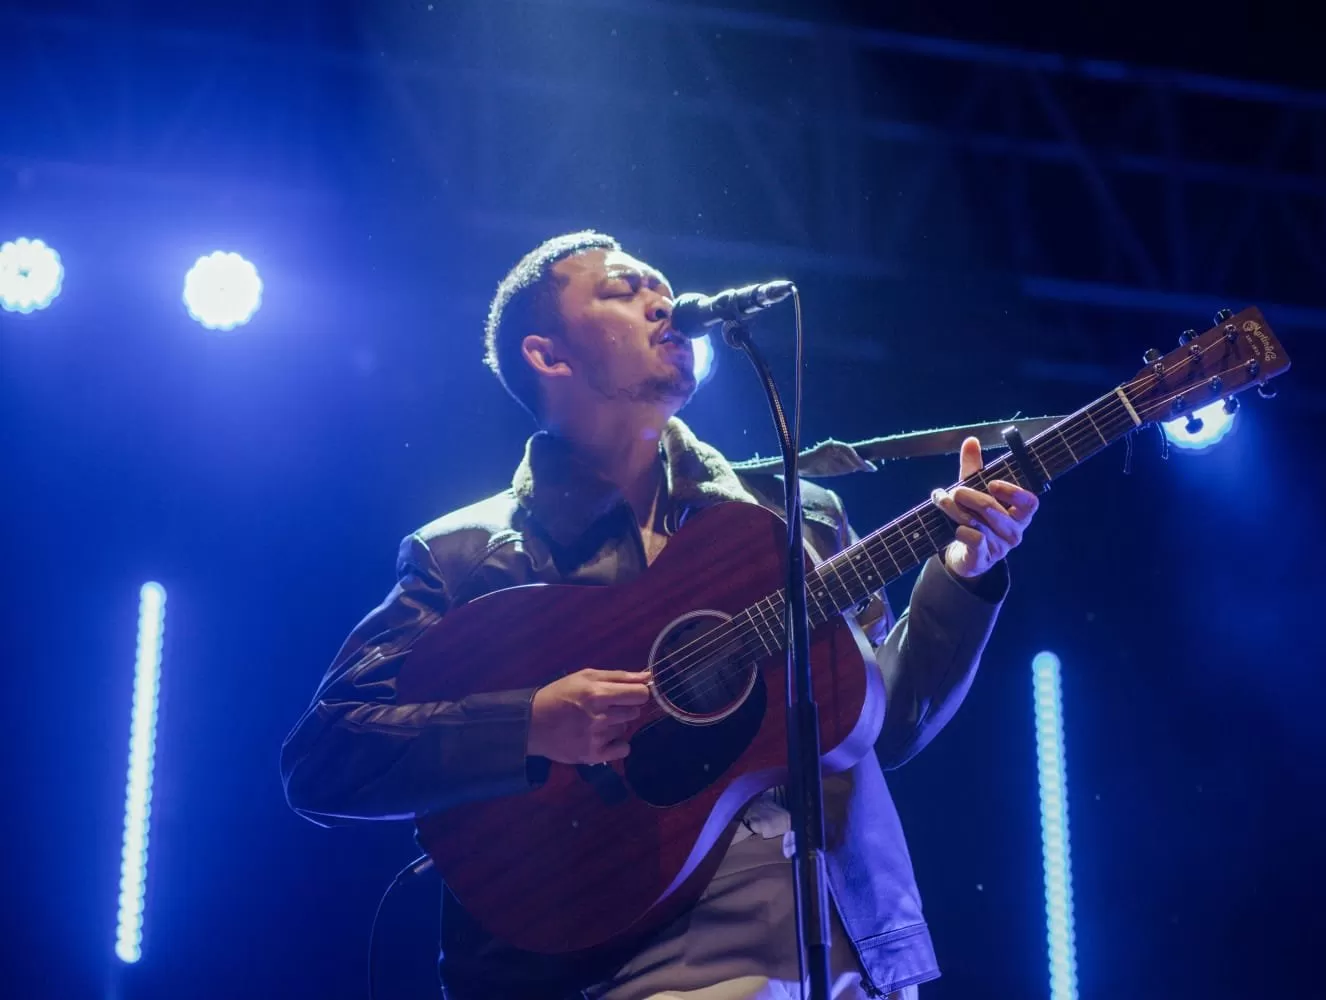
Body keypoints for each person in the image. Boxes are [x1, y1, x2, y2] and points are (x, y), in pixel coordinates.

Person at [279, 231, 1040, 1000]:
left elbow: (887, 724)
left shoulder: (799, 518)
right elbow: (325, 755)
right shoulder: (468, 555)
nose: (665, 303)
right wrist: (531, 722)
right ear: (549, 356)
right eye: (623, 289)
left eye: (663, 286)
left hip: (849, 948)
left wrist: (962, 577)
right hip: (622, 964)